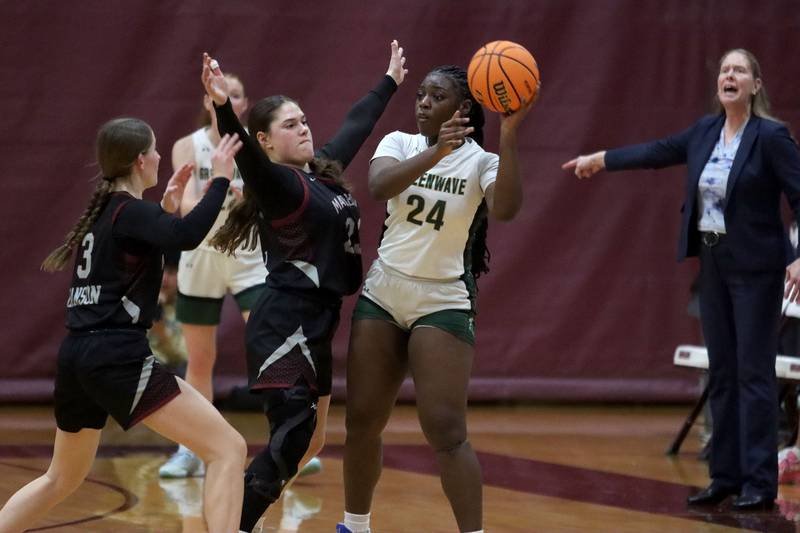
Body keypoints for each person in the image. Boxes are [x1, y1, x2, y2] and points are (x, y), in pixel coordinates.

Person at [563, 48, 800, 510]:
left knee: (753, 374)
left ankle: (759, 482)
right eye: (725, 70)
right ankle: (725, 476)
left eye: (740, 71)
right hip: (712, 265)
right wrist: (601, 158)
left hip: (758, 269)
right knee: (723, 373)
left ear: (755, 84)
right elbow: (655, 152)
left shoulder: (771, 137)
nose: (730, 76)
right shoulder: (704, 132)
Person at [0, 119, 247, 532]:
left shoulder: (104, 213)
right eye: (153, 151)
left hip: (77, 355)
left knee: (61, 478)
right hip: (116, 355)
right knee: (228, 448)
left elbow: (152, 246)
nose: (157, 157)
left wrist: (166, 208)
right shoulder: (130, 212)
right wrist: (220, 179)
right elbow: (186, 235)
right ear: (140, 160)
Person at [201, 39, 407, 532]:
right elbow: (246, 155)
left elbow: (356, 126)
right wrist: (222, 107)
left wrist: (390, 82)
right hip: (284, 323)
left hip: (316, 323)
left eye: (304, 119)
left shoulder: (321, 173)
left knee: (310, 442)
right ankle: (235, 527)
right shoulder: (276, 182)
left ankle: (239, 517)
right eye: (289, 124)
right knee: (294, 437)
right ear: (267, 141)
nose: (304, 127)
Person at [338, 65, 533, 533]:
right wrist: (436, 152)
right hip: (384, 292)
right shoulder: (399, 142)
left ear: (462, 108)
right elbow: (380, 186)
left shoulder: (481, 162)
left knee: (446, 430)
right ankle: (354, 525)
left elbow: (505, 209)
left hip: (442, 299)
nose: (422, 101)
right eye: (421, 93)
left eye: (436, 96)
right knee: (362, 421)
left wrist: (508, 135)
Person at [159, 72, 267, 479]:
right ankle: (192, 447)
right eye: (222, 94)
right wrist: (220, 189)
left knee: (269, 349)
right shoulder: (188, 146)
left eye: (237, 94)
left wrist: (250, 201)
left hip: (248, 255)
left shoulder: (258, 144)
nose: (229, 99)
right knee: (199, 360)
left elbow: (275, 201)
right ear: (209, 101)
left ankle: (290, 441)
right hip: (201, 254)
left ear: (243, 102)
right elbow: (184, 207)